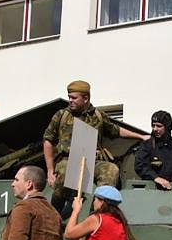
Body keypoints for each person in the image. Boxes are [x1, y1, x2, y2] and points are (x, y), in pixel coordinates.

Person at [43, 80, 148, 212]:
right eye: (69, 97)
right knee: (65, 170)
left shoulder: (98, 116)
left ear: (85, 98)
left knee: (111, 170)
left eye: (74, 98)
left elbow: (116, 130)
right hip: (67, 160)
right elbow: (48, 141)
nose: (70, 100)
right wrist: (50, 170)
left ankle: (97, 212)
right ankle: (55, 211)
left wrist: (140, 136)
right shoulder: (62, 115)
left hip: (92, 161)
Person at [134, 110, 172, 190]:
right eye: (153, 126)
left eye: (159, 126)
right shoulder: (147, 146)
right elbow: (140, 166)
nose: (155, 129)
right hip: (152, 190)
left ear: (167, 127)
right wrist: (156, 178)